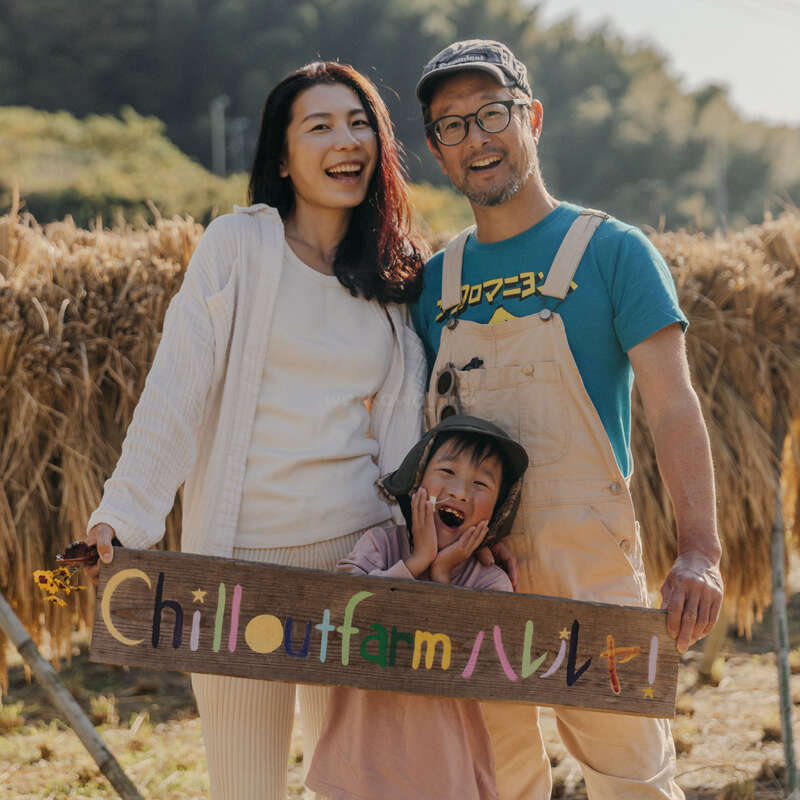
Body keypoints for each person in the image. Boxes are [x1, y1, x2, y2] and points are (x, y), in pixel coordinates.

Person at [83, 61, 429, 800]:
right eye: (321, 125)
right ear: (281, 155)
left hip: (358, 562)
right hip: (236, 568)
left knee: (366, 784)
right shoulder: (238, 246)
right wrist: (124, 515)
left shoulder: (392, 275)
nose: (347, 139)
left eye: (361, 121)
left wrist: (420, 552)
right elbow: (176, 389)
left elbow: (403, 435)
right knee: (245, 786)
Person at [410, 39, 724, 799]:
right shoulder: (432, 283)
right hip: (471, 576)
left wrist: (700, 552)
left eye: (492, 113)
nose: (475, 138)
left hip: (589, 563)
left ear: (533, 118)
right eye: (452, 125)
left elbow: (673, 404)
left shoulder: (614, 252)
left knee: (633, 780)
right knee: (493, 783)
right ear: (435, 151)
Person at [305, 414, 529, 800]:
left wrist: (441, 576)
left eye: (480, 483)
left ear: (496, 509)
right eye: (447, 472)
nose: (460, 492)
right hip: (360, 768)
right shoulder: (379, 547)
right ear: (416, 485)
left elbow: (477, 668)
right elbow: (343, 614)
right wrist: (414, 564)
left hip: (446, 776)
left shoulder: (489, 582)